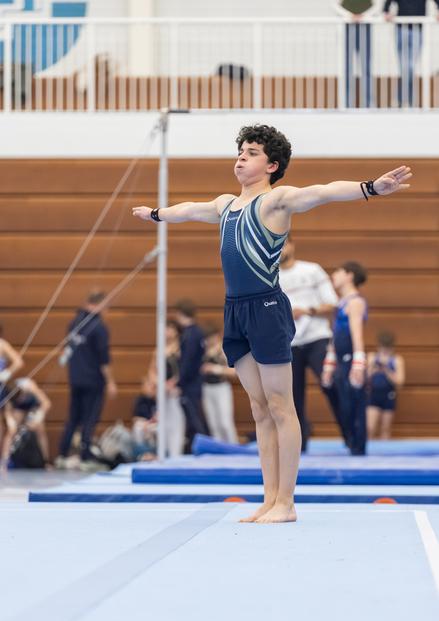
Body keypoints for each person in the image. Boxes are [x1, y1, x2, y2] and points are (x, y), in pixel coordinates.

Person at [133, 123, 411, 523]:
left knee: (281, 406)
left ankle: (287, 502)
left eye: (251, 152)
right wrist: (156, 214)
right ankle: (268, 499)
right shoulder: (225, 205)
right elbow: (188, 210)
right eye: (240, 150)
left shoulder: (276, 200)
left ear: (272, 165)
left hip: (266, 308)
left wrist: (370, 188)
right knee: (259, 409)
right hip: (235, 310)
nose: (241, 156)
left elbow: (323, 191)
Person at [279, 237, 338, 452]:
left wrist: (307, 311)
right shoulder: (269, 277)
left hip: (316, 338)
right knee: (292, 398)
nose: (281, 248)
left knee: (332, 385)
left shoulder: (312, 271)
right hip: (288, 343)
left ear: (292, 245)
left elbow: (332, 304)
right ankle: (299, 446)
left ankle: (351, 436)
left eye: (284, 243)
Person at [56, 290, 118, 468]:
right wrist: (111, 382)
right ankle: (85, 457)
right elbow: (103, 359)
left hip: (75, 378)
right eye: (106, 306)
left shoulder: (73, 323)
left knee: (73, 417)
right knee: (90, 418)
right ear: (97, 304)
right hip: (92, 380)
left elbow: (67, 351)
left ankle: (62, 453)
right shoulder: (99, 327)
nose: (107, 310)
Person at [322, 262, 369, 455]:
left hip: (351, 360)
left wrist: (358, 365)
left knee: (355, 405)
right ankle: (352, 445)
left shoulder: (355, 302)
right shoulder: (341, 302)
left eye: (338, 272)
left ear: (349, 276)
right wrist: (329, 364)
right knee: (344, 404)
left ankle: (358, 448)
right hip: (341, 360)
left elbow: (357, 335)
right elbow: (335, 336)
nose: (333, 275)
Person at [384, 0, 439, 107]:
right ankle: (408, 101)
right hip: (400, 29)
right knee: (404, 67)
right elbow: (387, 3)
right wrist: (386, 12)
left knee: (410, 67)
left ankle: (402, 99)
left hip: (417, 30)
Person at [148, 319, 186, 457]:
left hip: (176, 390)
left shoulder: (180, 349)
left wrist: (174, 383)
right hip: (162, 390)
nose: (167, 332)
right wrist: (159, 383)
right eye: (165, 328)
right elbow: (152, 371)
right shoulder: (158, 349)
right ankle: (163, 452)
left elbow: (183, 370)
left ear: (176, 332)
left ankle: (176, 453)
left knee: (176, 421)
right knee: (163, 421)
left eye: (170, 328)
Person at [174, 299, 208, 451]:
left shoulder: (190, 334)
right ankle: (194, 445)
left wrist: (179, 381)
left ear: (180, 314)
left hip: (191, 382)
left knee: (194, 416)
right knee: (192, 416)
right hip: (193, 380)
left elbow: (188, 360)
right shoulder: (195, 332)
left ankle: (202, 445)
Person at [334, 0, 379, 108]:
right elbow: (334, 5)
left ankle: (369, 104)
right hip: (347, 26)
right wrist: (350, 16)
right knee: (347, 68)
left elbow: (377, 6)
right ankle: (347, 103)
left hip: (365, 26)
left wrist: (364, 16)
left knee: (366, 67)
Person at [1, 377, 51, 469]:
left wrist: (39, 416)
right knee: (12, 431)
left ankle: (46, 460)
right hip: (18, 410)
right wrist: (10, 421)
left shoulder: (31, 387)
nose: (21, 399)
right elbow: (8, 409)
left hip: (33, 408)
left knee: (40, 430)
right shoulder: (10, 392)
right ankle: (4, 462)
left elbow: (46, 403)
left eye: (22, 397)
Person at [202, 324, 238, 444]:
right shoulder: (204, 352)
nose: (208, 341)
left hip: (222, 388)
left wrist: (214, 369)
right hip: (207, 388)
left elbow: (235, 372)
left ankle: (233, 448)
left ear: (216, 336)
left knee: (225, 422)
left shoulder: (223, 350)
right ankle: (218, 451)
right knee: (213, 423)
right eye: (206, 338)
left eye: (210, 338)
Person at [367, 330, 405, 439]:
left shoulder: (397, 360)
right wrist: (372, 370)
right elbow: (363, 379)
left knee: (385, 428)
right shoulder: (372, 357)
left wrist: (387, 370)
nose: (385, 351)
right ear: (378, 346)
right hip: (373, 395)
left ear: (392, 348)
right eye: (382, 348)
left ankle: (385, 455)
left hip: (388, 395)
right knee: (370, 428)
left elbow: (400, 382)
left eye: (387, 349)